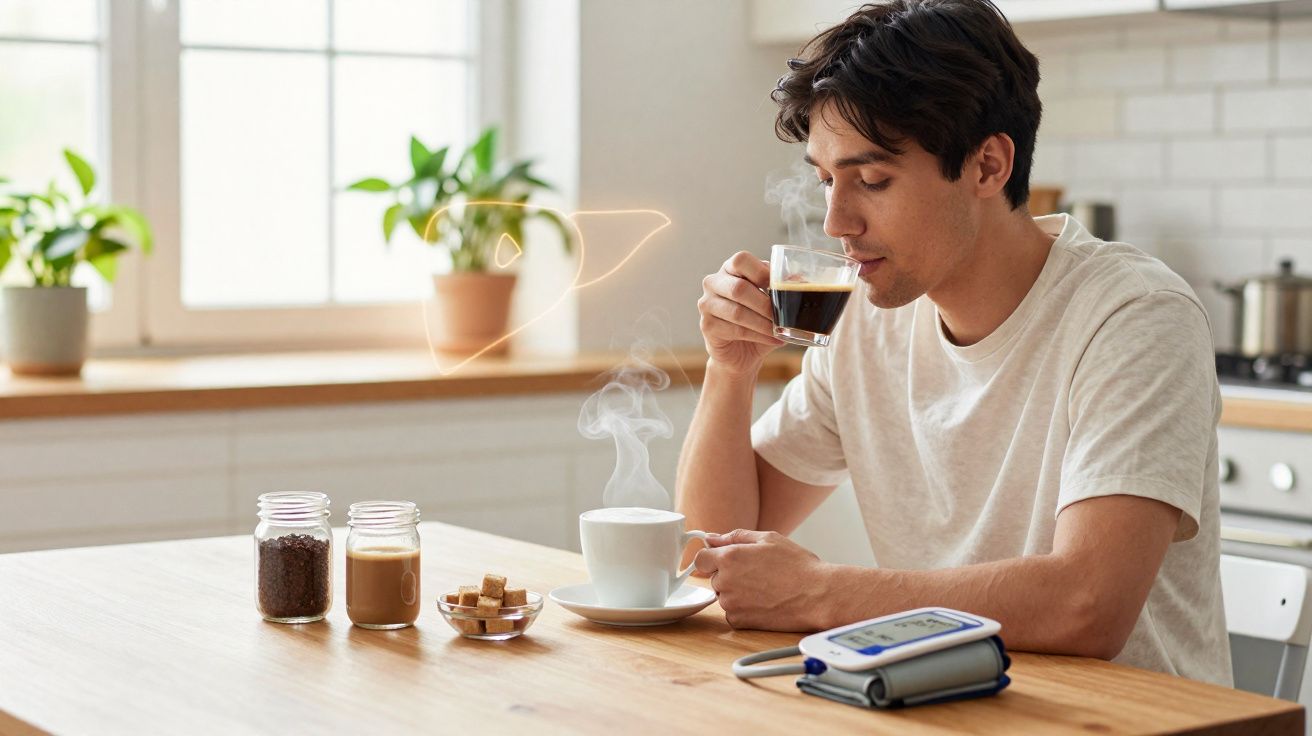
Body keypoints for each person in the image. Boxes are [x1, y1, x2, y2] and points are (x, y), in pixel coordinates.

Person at [676, 0, 1230, 685]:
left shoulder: (1134, 316)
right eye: (826, 181)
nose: (836, 221)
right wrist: (730, 368)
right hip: (936, 706)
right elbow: (712, 554)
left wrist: (820, 590)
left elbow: (1087, 605)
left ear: (988, 167)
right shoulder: (865, 321)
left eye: (872, 180)